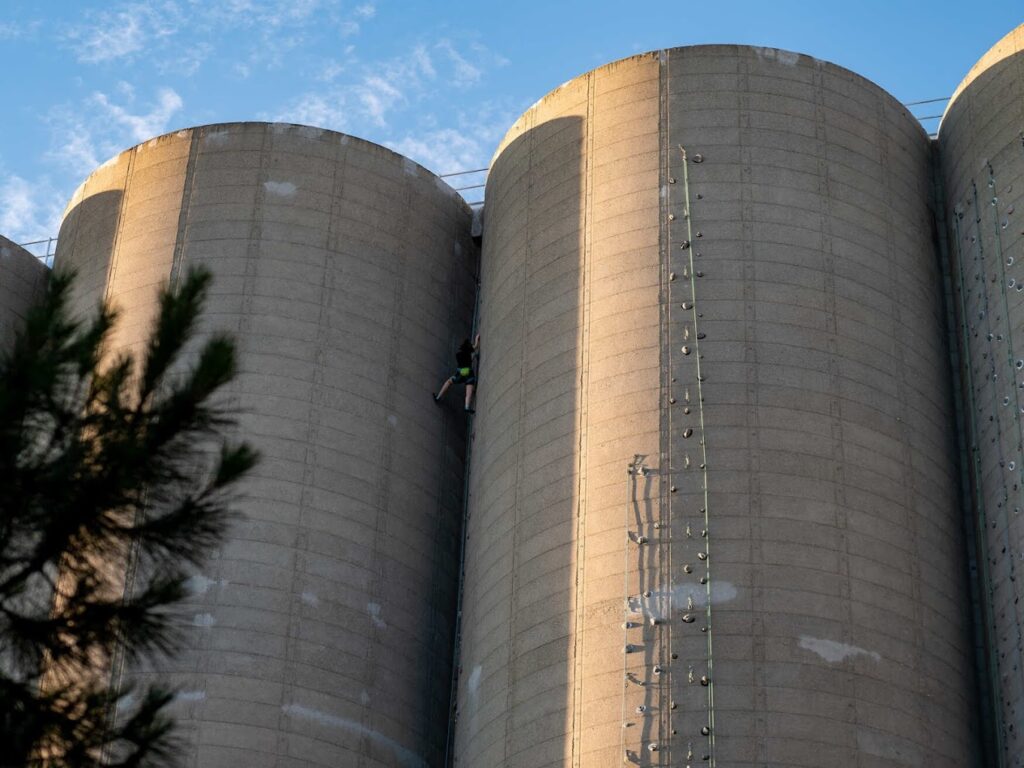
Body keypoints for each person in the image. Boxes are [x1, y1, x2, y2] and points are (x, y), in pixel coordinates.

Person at [434, 334, 480, 413]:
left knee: (449, 382)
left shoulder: (458, 355)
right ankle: (466, 406)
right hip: (469, 374)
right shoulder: (469, 353)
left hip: (460, 375)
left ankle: (438, 397)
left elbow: (465, 361)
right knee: (468, 393)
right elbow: (475, 346)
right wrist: (476, 339)